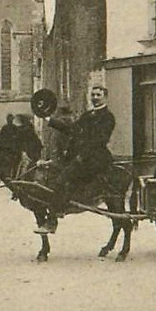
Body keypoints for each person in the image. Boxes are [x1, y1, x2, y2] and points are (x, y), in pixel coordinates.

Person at [40, 86, 116, 232]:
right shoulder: (87, 115)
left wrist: (81, 156)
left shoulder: (108, 117)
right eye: (93, 94)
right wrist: (50, 120)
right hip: (82, 157)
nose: (95, 97)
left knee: (62, 179)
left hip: (97, 158)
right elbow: (72, 129)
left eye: (98, 95)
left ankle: (52, 220)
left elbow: (100, 141)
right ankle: (64, 205)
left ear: (105, 97)